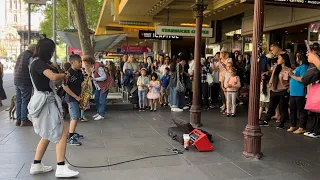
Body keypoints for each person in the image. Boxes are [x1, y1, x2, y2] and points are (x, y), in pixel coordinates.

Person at [28, 37, 79, 177]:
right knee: (62, 131)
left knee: (48, 133)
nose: (52, 53)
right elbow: (52, 77)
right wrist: (62, 75)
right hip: (45, 102)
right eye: (51, 51)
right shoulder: (38, 63)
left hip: (47, 100)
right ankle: (61, 167)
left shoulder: (40, 63)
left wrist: (60, 74)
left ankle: (36, 164)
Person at [260, 53, 292, 129]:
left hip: (283, 90)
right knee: (271, 106)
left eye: (279, 58)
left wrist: (288, 89)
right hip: (274, 90)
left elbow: (289, 81)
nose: (277, 60)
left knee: (283, 107)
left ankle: (282, 122)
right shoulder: (275, 67)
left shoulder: (288, 70)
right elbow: (272, 75)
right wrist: (270, 83)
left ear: (284, 60)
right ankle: (266, 120)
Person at [62, 54, 84, 146]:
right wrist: (75, 96)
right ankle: (70, 137)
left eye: (81, 62)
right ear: (72, 62)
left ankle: (73, 133)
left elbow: (82, 83)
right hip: (72, 98)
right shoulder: (68, 73)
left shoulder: (79, 72)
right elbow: (64, 86)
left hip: (78, 97)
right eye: (79, 62)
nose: (80, 64)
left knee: (76, 116)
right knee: (74, 117)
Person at [82, 55, 113, 121]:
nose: (85, 64)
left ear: (89, 62)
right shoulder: (92, 67)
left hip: (104, 86)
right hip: (98, 87)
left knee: (102, 100)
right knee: (96, 99)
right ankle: (99, 112)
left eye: (85, 62)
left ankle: (101, 114)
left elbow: (104, 77)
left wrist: (94, 79)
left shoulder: (98, 67)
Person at [13, 44, 36, 126]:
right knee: (25, 100)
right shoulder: (30, 57)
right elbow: (31, 70)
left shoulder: (21, 55)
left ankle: (18, 120)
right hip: (25, 81)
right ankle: (24, 120)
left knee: (19, 100)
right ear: (34, 50)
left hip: (17, 80)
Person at [287, 54, 309, 134]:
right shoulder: (297, 67)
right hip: (293, 92)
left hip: (300, 93)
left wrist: (292, 75)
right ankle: (293, 125)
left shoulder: (304, 67)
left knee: (301, 110)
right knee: (292, 110)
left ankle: (302, 127)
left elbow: (302, 79)